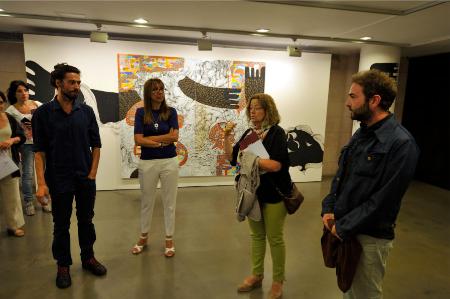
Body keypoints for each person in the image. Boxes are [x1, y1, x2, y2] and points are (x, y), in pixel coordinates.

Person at [321, 70, 419, 299]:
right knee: (350, 290)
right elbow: (341, 177)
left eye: (353, 97)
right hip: (346, 230)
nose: (347, 103)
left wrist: (342, 227)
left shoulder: (402, 144)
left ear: (374, 101)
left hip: (369, 237)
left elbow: (384, 201)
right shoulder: (363, 133)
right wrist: (328, 208)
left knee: (365, 294)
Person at [32, 63, 107, 289]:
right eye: (71, 82)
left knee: (86, 220)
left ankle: (88, 258)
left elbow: (96, 145)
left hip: (84, 177)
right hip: (58, 177)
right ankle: (63, 265)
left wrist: (92, 173)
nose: (76, 86)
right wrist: (42, 184)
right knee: (61, 225)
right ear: (58, 83)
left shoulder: (86, 112)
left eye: (78, 82)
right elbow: (39, 152)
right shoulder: (44, 114)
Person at [223, 93, 292, 299]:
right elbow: (232, 159)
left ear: (268, 110)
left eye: (257, 108)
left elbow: (276, 165)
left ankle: (278, 281)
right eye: (250, 108)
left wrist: (251, 160)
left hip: (274, 194)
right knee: (256, 237)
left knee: (275, 238)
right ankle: (257, 274)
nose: (252, 111)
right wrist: (227, 138)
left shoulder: (277, 134)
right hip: (253, 193)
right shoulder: (249, 133)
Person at [131, 78, 179, 257]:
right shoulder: (141, 113)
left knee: (170, 202)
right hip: (147, 163)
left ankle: (169, 238)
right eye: (155, 90)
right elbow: (138, 140)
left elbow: (174, 137)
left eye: (161, 89)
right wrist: (162, 140)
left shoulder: (171, 112)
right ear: (148, 94)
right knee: (146, 201)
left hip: (169, 162)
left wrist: (151, 140)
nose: (159, 92)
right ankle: (143, 236)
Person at [6, 80, 50, 216]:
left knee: (45, 173)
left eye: (25, 90)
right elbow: (11, 130)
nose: (24, 93)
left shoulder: (37, 104)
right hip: (26, 146)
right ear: (14, 93)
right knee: (28, 174)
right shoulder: (11, 110)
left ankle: (45, 200)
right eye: (19, 91)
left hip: (43, 144)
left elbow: (48, 118)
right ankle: (29, 202)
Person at [0, 91, 26, 237]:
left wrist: (11, 140)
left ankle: (13, 225)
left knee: (12, 195)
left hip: (8, 160)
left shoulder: (9, 117)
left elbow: (21, 136)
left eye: (1, 102)